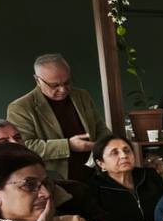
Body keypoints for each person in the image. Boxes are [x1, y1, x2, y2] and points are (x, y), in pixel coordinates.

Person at [7, 53, 111, 182]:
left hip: (95, 174)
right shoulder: (20, 107)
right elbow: (24, 146)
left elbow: (100, 127)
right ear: (37, 80)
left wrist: (105, 145)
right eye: (54, 85)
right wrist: (68, 145)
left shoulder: (82, 95)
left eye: (67, 82)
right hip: (55, 181)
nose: (63, 89)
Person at [83, 133, 163, 221]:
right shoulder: (95, 190)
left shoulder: (150, 176)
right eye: (114, 153)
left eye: (127, 150)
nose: (123, 156)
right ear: (101, 163)